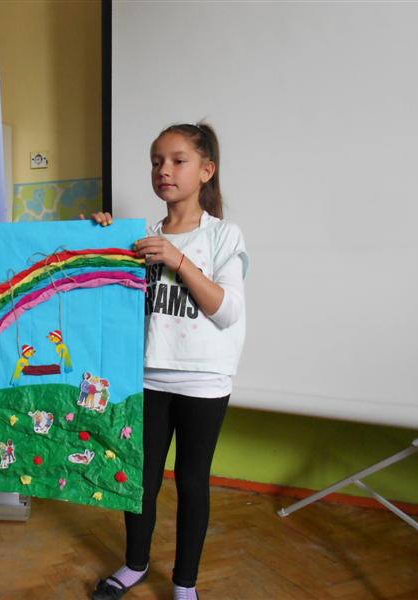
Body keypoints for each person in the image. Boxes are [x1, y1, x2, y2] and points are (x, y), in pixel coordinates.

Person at [88, 123, 248, 600]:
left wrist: (178, 261)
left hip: (203, 380)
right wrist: (99, 239)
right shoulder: (141, 237)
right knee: (139, 478)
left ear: (206, 171)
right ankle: (135, 564)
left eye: (178, 161)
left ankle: (184, 585)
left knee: (193, 483)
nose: (164, 170)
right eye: (157, 161)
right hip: (146, 377)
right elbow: (107, 297)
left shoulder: (223, 235)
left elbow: (226, 310)